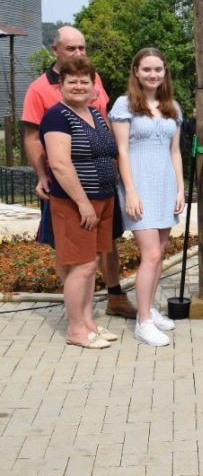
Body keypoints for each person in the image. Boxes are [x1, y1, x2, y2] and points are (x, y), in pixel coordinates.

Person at [22, 25, 136, 318]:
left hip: (103, 187)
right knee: (70, 249)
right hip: (68, 187)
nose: (77, 53)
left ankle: (113, 295)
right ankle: (77, 311)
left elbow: (102, 122)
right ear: (55, 50)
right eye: (71, 48)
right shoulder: (39, 90)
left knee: (106, 244)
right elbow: (33, 137)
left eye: (81, 48)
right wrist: (41, 174)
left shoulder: (92, 79)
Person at [39, 56, 119, 349]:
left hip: (103, 198)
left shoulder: (95, 113)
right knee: (81, 266)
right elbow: (60, 164)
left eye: (84, 80)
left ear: (93, 85)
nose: (78, 85)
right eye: (72, 81)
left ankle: (88, 323)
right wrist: (83, 203)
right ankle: (75, 329)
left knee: (93, 262)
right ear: (61, 85)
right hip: (76, 203)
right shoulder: (56, 116)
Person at [110, 48, 184, 346]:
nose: (153, 74)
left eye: (158, 69)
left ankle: (149, 310)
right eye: (147, 69)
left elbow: (175, 152)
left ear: (165, 72)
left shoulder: (172, 107)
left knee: (159, 255)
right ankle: (142, 323)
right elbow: (122, 151)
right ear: (136, 71)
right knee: (150, 255)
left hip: (165, 185)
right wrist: (130, 191)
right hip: (139, 187)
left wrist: (180, 188)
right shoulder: (124, 104)